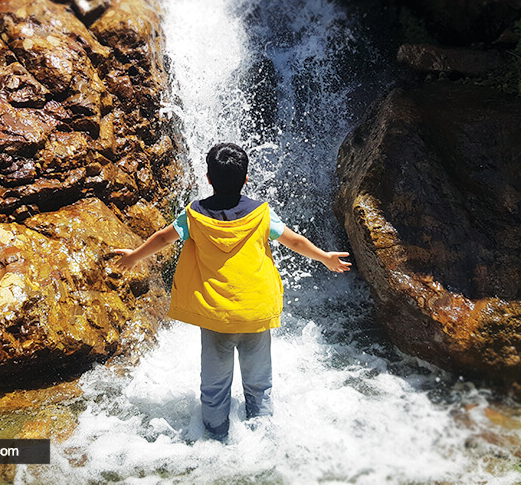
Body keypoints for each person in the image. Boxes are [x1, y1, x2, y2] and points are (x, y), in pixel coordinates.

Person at [114, 143, 350, 440]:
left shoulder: (194, 215)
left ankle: (214, 439)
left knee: (214, 387)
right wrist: (325, 257)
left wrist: (135, 256)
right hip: (255, 313)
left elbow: (164, 237)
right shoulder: (262, 214)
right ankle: (262, 440)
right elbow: (296, 242)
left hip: (216, 317)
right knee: (259, 384)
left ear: (209, 179)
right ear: (247, 178)